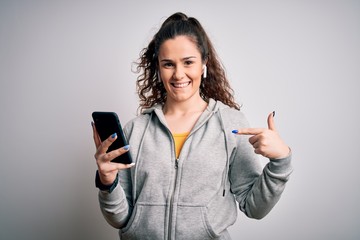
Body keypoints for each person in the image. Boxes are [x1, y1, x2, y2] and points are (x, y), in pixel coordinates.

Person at [92, 12, 292, 240]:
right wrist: (107, 183)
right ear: (158, 67)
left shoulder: (231, 124)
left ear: (204, 63)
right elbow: (119, 218)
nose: (178, 74)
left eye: (188, 62)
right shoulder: (135, 130)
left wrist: (280, 161)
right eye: (168, 64)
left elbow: (254, 207)